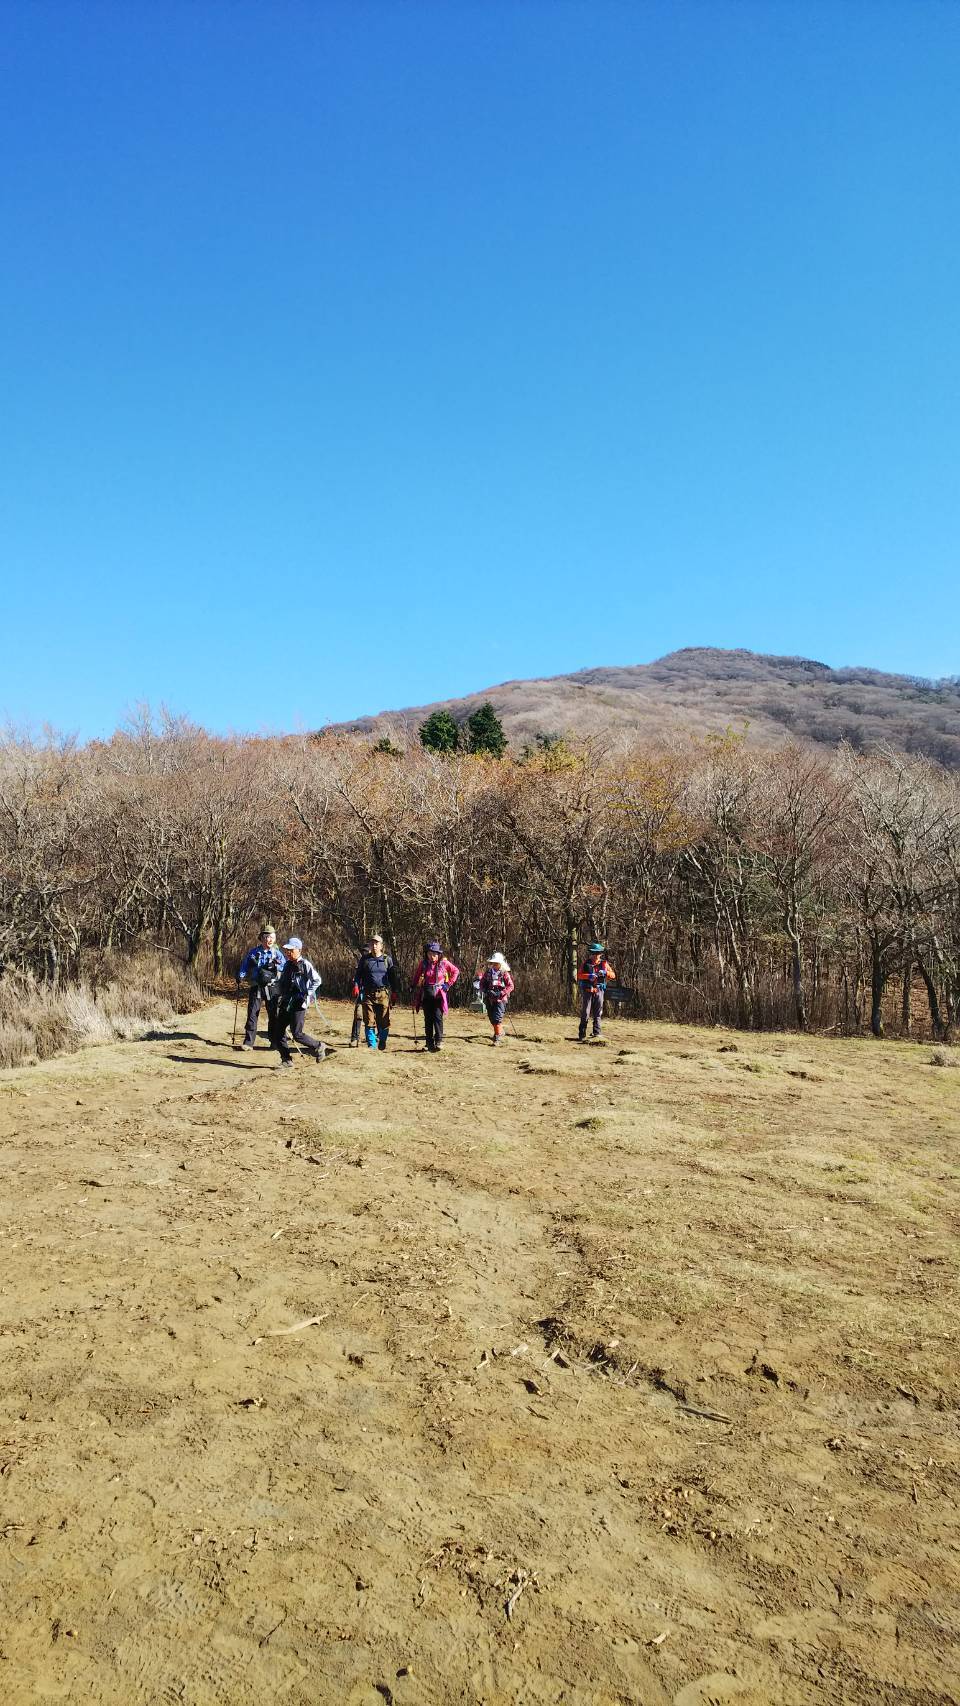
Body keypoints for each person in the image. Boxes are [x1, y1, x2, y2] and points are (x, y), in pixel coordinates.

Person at [271, 937, 325, 1068]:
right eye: (287, 950)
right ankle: (286, 1060)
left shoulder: (305, 964)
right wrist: (274, 990)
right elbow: (283, 983)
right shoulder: (287, 965)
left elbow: (317, 980)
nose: (288, 952)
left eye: (291, 950)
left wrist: (307, 993)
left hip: (299, 1004)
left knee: (297, 1034)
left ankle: (318, 1046)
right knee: (278, 1032)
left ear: (298, 950)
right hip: (286, 1002)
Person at [236, 925, 285, 1050]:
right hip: (256, 986)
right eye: (268, 937)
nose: (270, 940)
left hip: (272, 987)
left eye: (272, 937)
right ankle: (248, 1042)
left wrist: (275, 967)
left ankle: (274, 1041)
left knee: (273, 1014)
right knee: (252, 1013)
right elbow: (245, 965)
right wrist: (240, 976)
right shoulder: (254, 953)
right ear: (262, 938)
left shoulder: (277, 954)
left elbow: (285, 967)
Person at [411, 940, 459, 1052]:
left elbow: (456, 971)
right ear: (426, 953)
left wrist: (448, 984)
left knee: (438, 1018)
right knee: (428, 1019)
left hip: (439, 995)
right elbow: (417, 975)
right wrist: (412, 986)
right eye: (430, 953)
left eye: (435, 954)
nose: (432, 956)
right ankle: (428, 1043)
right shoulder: (423, 964)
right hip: (426, 994)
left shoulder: (444, 963)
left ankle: (439, 1041)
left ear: (439, 954)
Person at [352, 933, 398, 1051]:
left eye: (376, 943)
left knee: (384, 1020)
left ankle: (382, 1040)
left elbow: (393, 978)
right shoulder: (365, 959)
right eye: (372, 943)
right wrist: (356, 985)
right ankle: (371, 1045)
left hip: (383, 994)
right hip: (368, 993)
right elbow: (358, 975)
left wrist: (394, 992)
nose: (374, 945)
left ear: (381, 946)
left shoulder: (387, 960)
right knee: (368, 1020)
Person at [577, 941, 616, 1041]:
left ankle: (597, 1033)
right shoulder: (585, 963)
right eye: (594, 953)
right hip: (587, 990)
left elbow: (613, 975)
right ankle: (582, 1034)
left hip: (599, 990)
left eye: (597, 953)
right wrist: (588, 976)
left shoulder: (604, 964)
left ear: (601, 953)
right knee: (585, 1012)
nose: (596, 955)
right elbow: (579, 975)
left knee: (598, 1013)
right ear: (591, 953)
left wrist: (606, 972)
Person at [478, 952, 514, 1046]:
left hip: (501, 999)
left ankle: (497, 1038)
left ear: (500, 964)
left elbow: (511, 986)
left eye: (496, 963)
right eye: (493, 963)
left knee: (497, 1018)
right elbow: (482, 983)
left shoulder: (504, 973)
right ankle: (500, 1031)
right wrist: (485, 990)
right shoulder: (488, 972)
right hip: (489, 999)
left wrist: (501, 993)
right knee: (491, 1018)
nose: (494, 965)